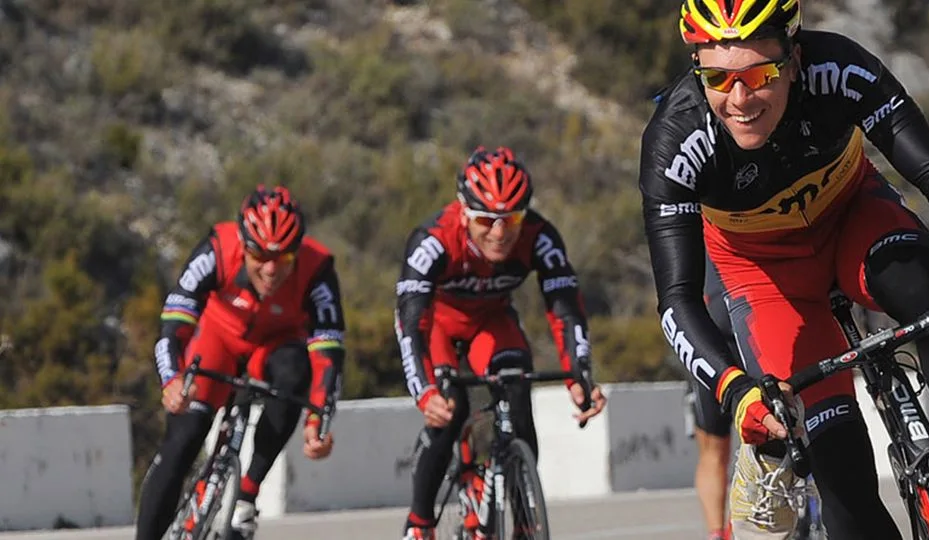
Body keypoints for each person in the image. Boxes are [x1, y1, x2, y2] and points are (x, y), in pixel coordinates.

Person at [638, 1, 929, 539]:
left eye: (759, 75)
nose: (739, 99)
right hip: (767, 279)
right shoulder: (674, 140)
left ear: (792, 60)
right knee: (843, 481)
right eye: (718, 77)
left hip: (853, 220)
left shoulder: (838, 70)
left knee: (923, 288)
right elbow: (676, 298)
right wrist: (736, 389)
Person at [395, 145, 609, 540]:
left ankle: (524, 519)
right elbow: (411, 323)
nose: (499, 232)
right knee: (447, 410)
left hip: (491, 324)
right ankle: (420, 522)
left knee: (516, 385)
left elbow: (566, 311)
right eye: (485, 220)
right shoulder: (433, 241)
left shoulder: (540, 237)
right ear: (463, 210)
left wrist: (579, 376)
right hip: (437, 326)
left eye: (511, 219)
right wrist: (424, 391)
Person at [135, 185, 345, 540]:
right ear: (243, 245)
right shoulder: (217, 249)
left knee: (294, 377)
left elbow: (329, 354)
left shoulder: (317, 269)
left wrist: (318, 421)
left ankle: (246, 496)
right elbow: (174, 321)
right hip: (218, 338)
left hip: (277, 345)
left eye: (283, 259)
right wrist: (171, 379)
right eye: (258, 256)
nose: (270, 269)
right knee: (182, 442)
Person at [685, 258, 738, 540]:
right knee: (714, 448)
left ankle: (744, 525)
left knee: (769, 441)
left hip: (753, 333)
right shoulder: (692, 221)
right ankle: (718, 533)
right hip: (709, 345)